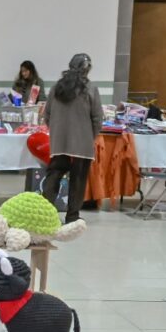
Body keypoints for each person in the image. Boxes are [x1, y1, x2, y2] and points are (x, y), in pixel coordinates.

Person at [41, 53, 102, 224]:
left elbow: (47, 115)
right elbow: (97, 118)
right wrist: (90, 136)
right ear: (87, 69)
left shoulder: (56, 87)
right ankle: (72, 216)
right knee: (78, 179)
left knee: (54, 175)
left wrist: (58, 132)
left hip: (59, 142)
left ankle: (45, 214)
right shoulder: (90, 88)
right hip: (82, 144)